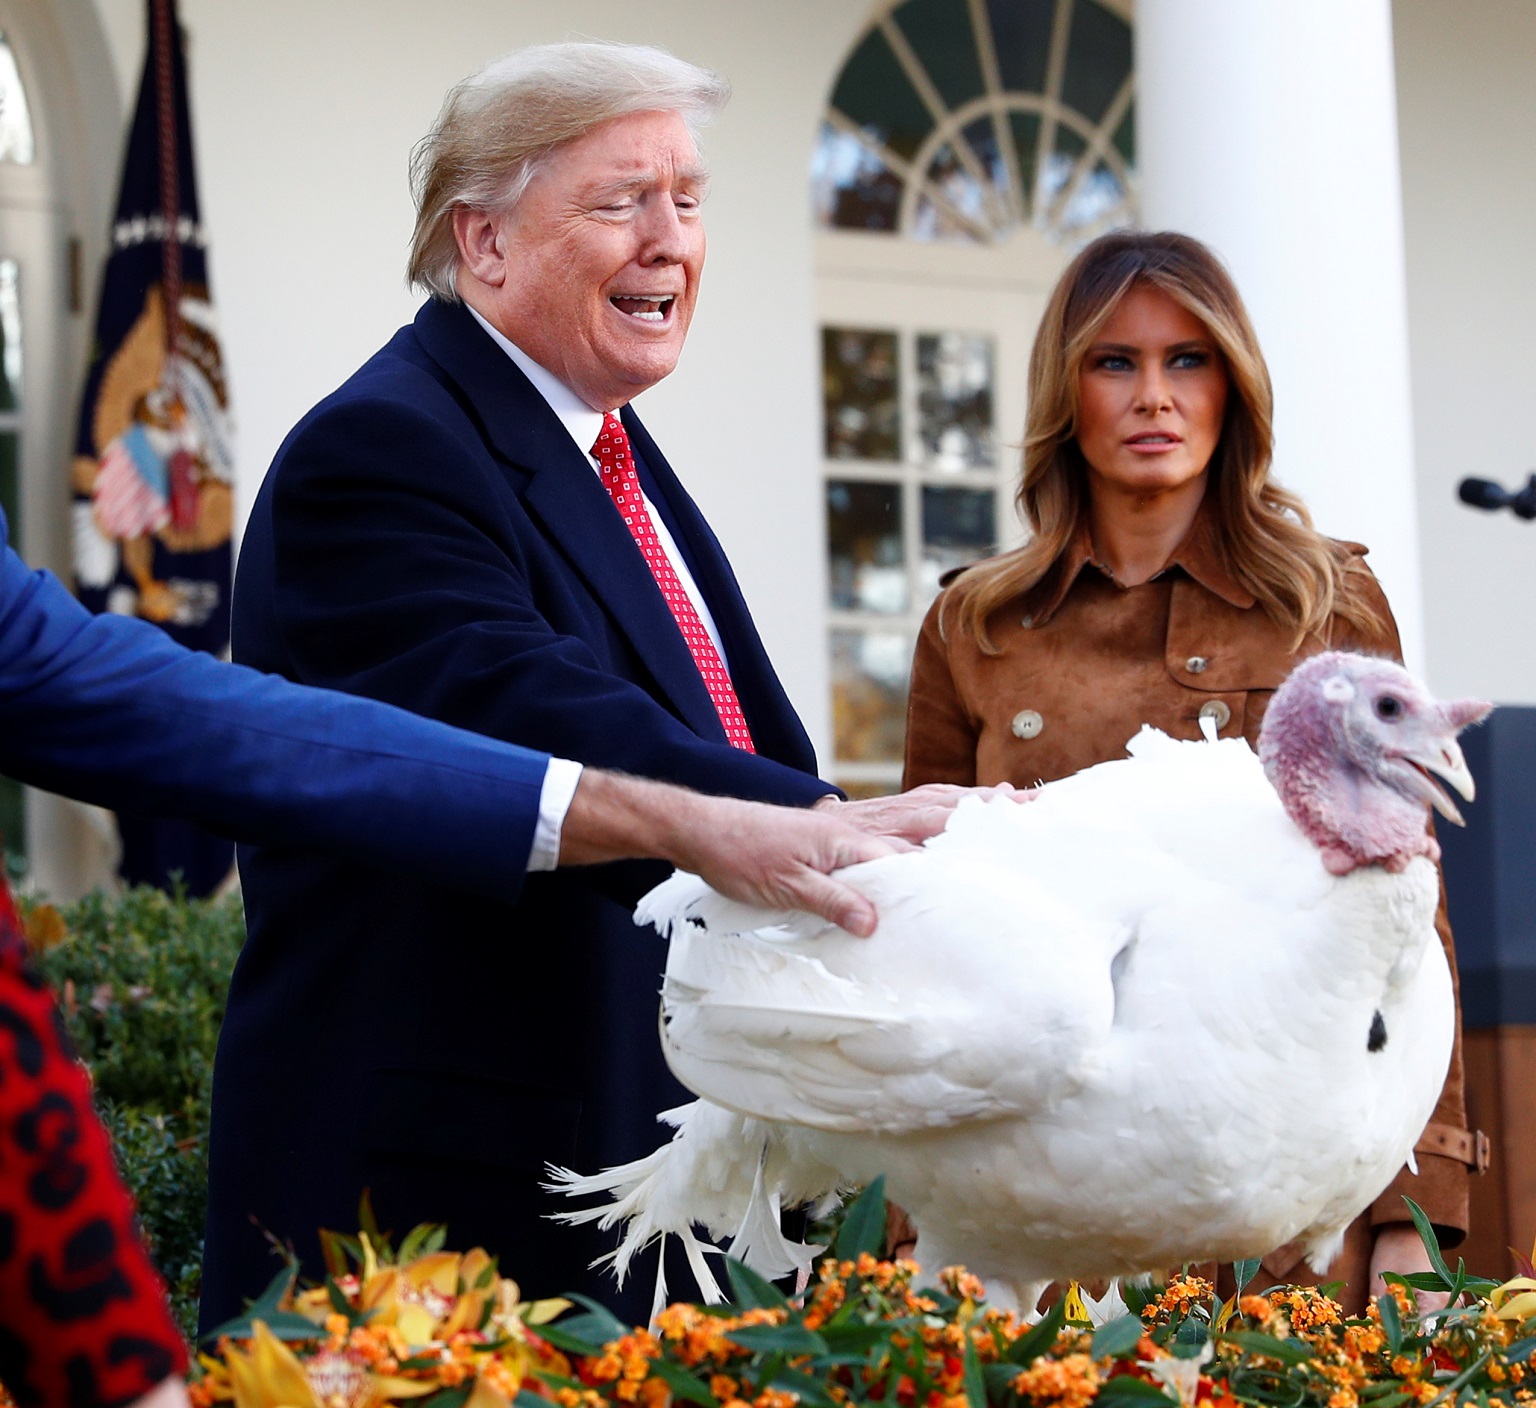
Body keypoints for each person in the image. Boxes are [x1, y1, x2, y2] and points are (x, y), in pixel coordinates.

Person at [200, 41, 974, 1332]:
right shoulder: (380, 450)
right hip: (454, 1222)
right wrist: (829, 834)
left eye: (689, 197)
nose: (671, 239)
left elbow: (709, 721)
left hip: (638, 1186)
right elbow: (533, 708)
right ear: (485, 243)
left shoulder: (610, 446)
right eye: (623, 201)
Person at [0, 507, 896, 1408]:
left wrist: (698, 821)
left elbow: (101, 682)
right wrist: (695, 820)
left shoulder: (626, 464)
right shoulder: (379, 444)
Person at [900, 230, 1486, 1307]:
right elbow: (920, 931)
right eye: (1113, 362)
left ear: (1233, 387)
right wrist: (905, 1216)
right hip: (1037, 1204)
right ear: (1064, 391)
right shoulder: (971, 625)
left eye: (1187, 361)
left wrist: (1414, 1211)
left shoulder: (1326, 603)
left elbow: (1407, 932)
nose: (1152, 396)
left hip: (1275, 1212)